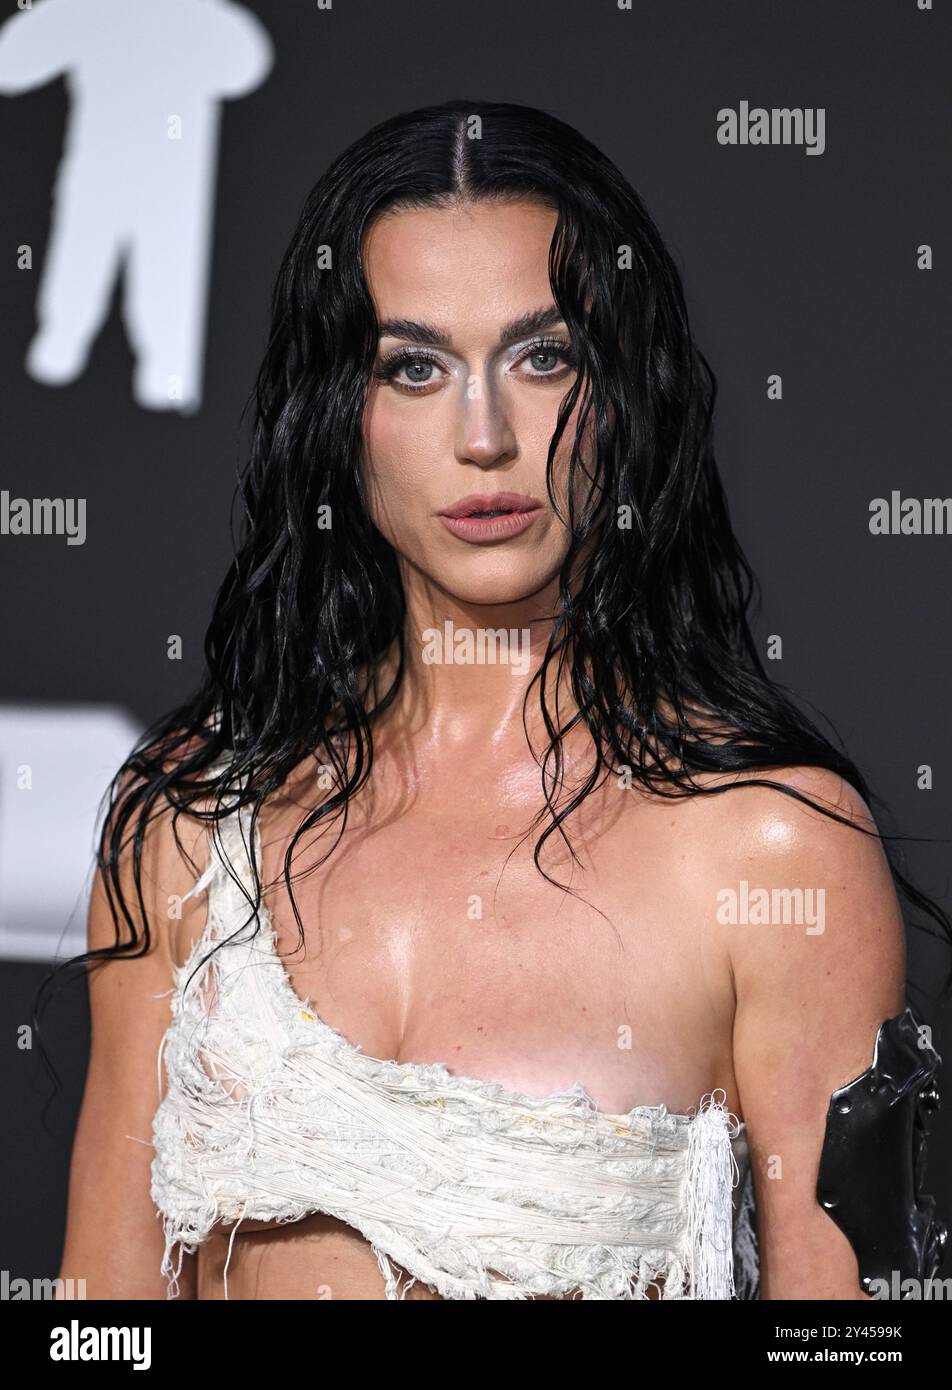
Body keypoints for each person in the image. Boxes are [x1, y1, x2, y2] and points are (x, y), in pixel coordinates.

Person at [53, 99, 949, 1301]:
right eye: (413, 367)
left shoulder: (772, 846)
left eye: (544, 356)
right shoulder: (186, 825)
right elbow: (92, 1324)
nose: (483, 437)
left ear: (624, 393)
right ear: (339, 420)